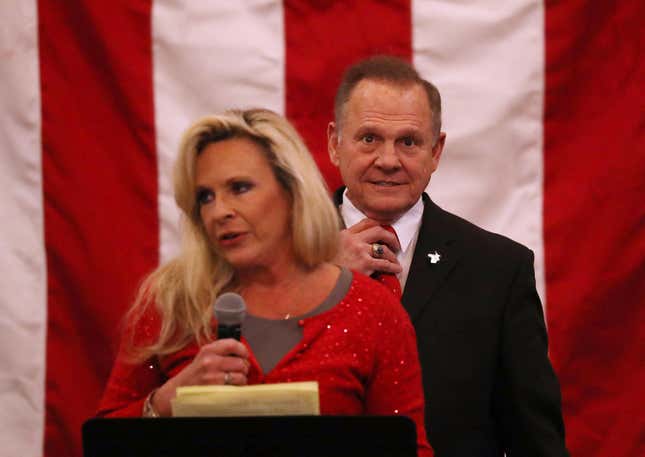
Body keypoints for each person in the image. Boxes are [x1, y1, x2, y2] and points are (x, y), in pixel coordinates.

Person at [97, 108, 432, 456]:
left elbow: (410, 449)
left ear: (291, 192)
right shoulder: (170, 301)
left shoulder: (374, 311)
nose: (219, 211)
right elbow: (104, 441)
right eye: (205, 197)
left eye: (239, 188)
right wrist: (167, 400)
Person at [327, 56, 569, 457]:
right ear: (335, 143)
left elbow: (536, 439)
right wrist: (321, 274)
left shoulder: (499, 271)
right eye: (369, 138)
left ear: (436, 151)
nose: (388, 160)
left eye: (408, 142)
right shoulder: (282, 259)